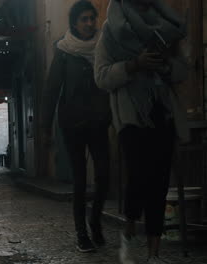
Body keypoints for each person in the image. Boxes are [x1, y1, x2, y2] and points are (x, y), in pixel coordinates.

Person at [94, 0, 188, 263]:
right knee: (138, 178)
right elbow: (101, 76)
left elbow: (183, 68)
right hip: (131, 115)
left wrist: (165, 66)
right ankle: (129, 231)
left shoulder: (168, 27)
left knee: (159, 184)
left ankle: (153, 254)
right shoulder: (112, 30)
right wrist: (134, 65)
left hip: (162, 112)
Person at [44, 0, 111, 253]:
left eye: (92, 18)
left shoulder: (104, 46)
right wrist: (45, 127)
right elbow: (52, 89)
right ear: (74, 22)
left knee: (104, 175)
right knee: (80, 180)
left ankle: (95, 220)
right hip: (72, 123)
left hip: (99, 120)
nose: (89, 23)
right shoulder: (64, 50)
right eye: (84, 19)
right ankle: (81, 234)